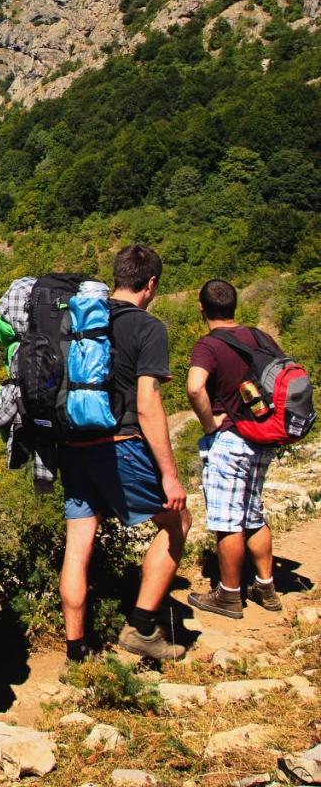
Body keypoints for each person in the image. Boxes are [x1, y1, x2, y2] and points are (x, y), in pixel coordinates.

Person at [59, 245, 191, 663]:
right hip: (122, 445)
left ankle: (75, 654)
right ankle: (143, 626)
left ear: (116, 277)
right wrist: (169, 474)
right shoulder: (148, 327)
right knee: (177, 521)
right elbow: (149, 402)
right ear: (150, 284)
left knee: (77, 545)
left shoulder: (76, 320)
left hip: (73, 446)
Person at [186, 279, 281, 619]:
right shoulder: (259, 337)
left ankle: (228, 595)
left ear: (202, 308)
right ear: (234, 305)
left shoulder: (209, 345)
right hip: (262, 436)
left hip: (231, 438)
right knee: (253, 512)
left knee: (228, 520)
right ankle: (266, 586)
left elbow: (195, 387)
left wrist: (210, 424)